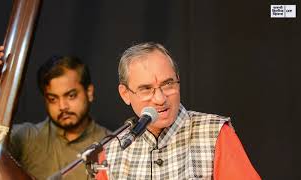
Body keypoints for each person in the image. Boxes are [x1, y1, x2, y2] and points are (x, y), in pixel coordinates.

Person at [105, 42, 261, 179]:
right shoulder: (112, 150)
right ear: (125, 94)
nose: (160, 99)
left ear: (178, 82)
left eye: (168, 84)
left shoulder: (214, 133)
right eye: (146, 89)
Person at [9, 56, 110, 180]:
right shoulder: (25, 137)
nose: (62, 106)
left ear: (89, 92)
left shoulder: (111, 144)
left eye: (71, 96)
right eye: (53, 99)